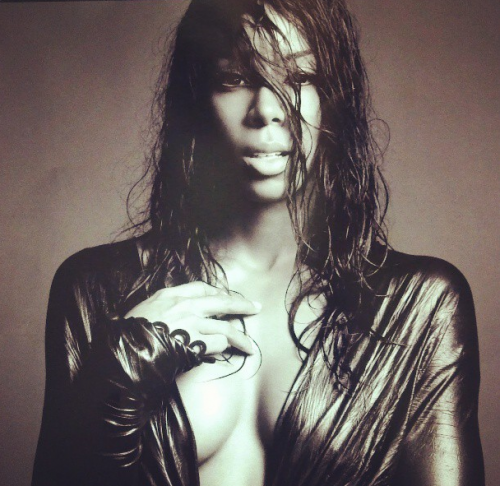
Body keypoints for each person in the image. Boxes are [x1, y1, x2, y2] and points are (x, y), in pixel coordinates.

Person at [31, 0, 485, 485]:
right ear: (196, 98)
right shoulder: (95, 289)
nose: (266, 110)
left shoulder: (422, 306)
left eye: (300, 78)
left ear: (335, 98)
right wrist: (122, 372)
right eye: (233, 79)